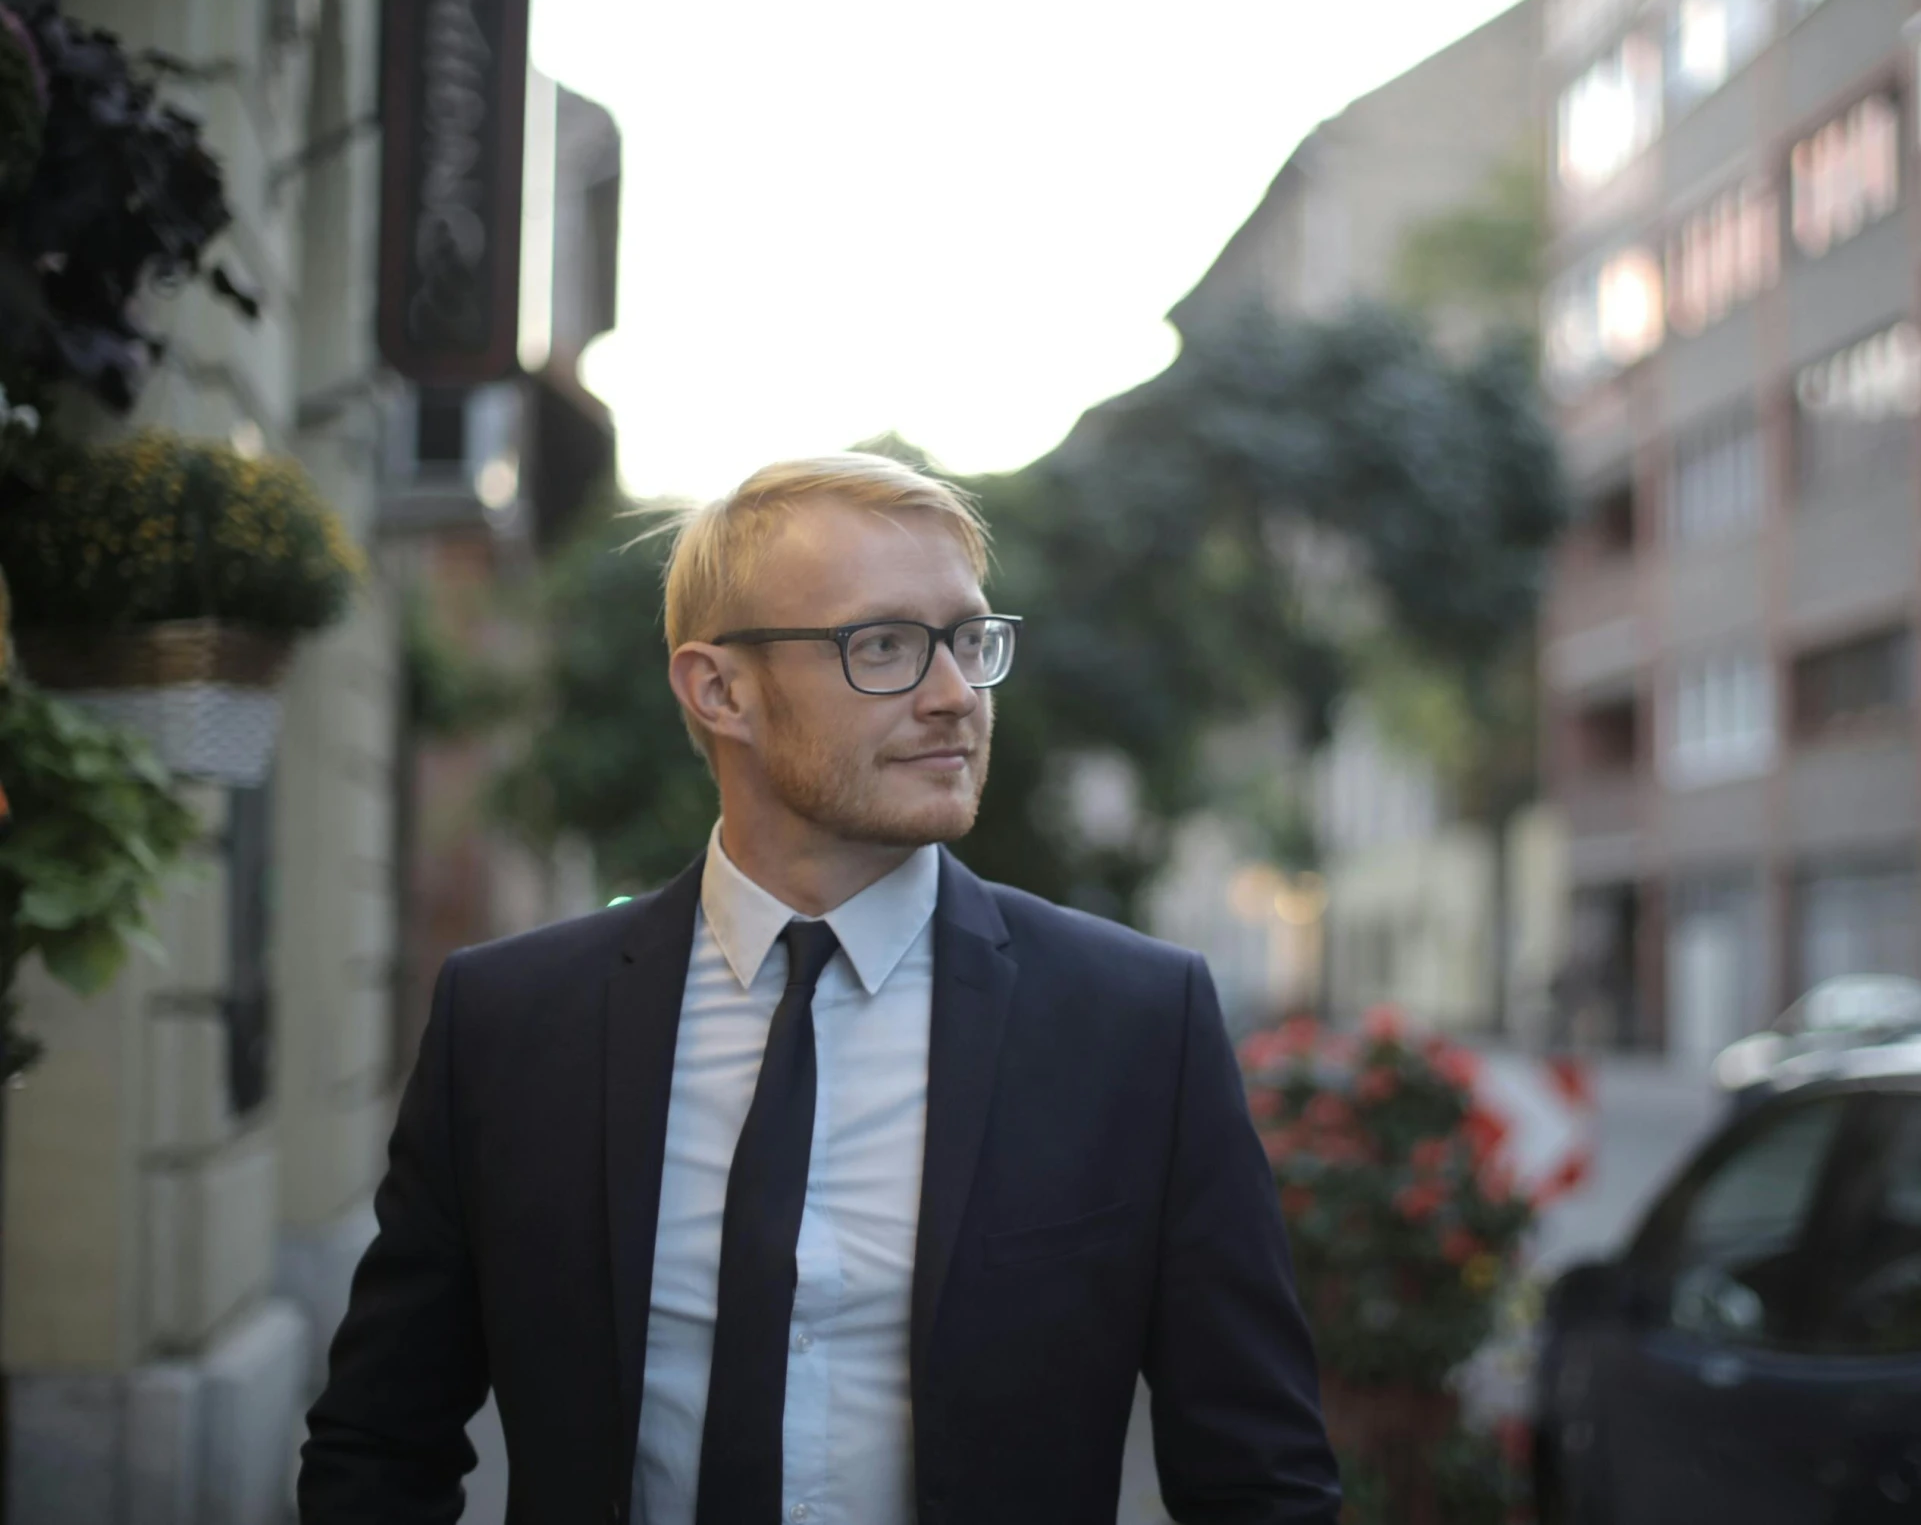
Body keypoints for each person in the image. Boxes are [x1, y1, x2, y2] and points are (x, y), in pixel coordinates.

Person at [300, 454, 1339, 1525]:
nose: (952, 697)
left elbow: (1259, 1479)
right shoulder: (513, 1026)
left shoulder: (1132, 1024)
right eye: (882, 645)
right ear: (720, 689)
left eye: (968, 642)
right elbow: (380, 1444)